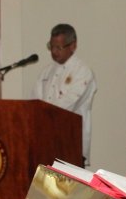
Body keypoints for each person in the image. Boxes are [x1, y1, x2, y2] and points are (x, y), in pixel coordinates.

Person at [32, 23, 97, 165]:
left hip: (70, 144)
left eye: (58, 47)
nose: (54, 52)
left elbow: (67, 107)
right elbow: (34, 104)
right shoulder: (45, 72)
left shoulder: (83, 72)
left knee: (69, 187)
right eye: (51, 47)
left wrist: (43, 114)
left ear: (73, 46)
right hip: (45, 143)